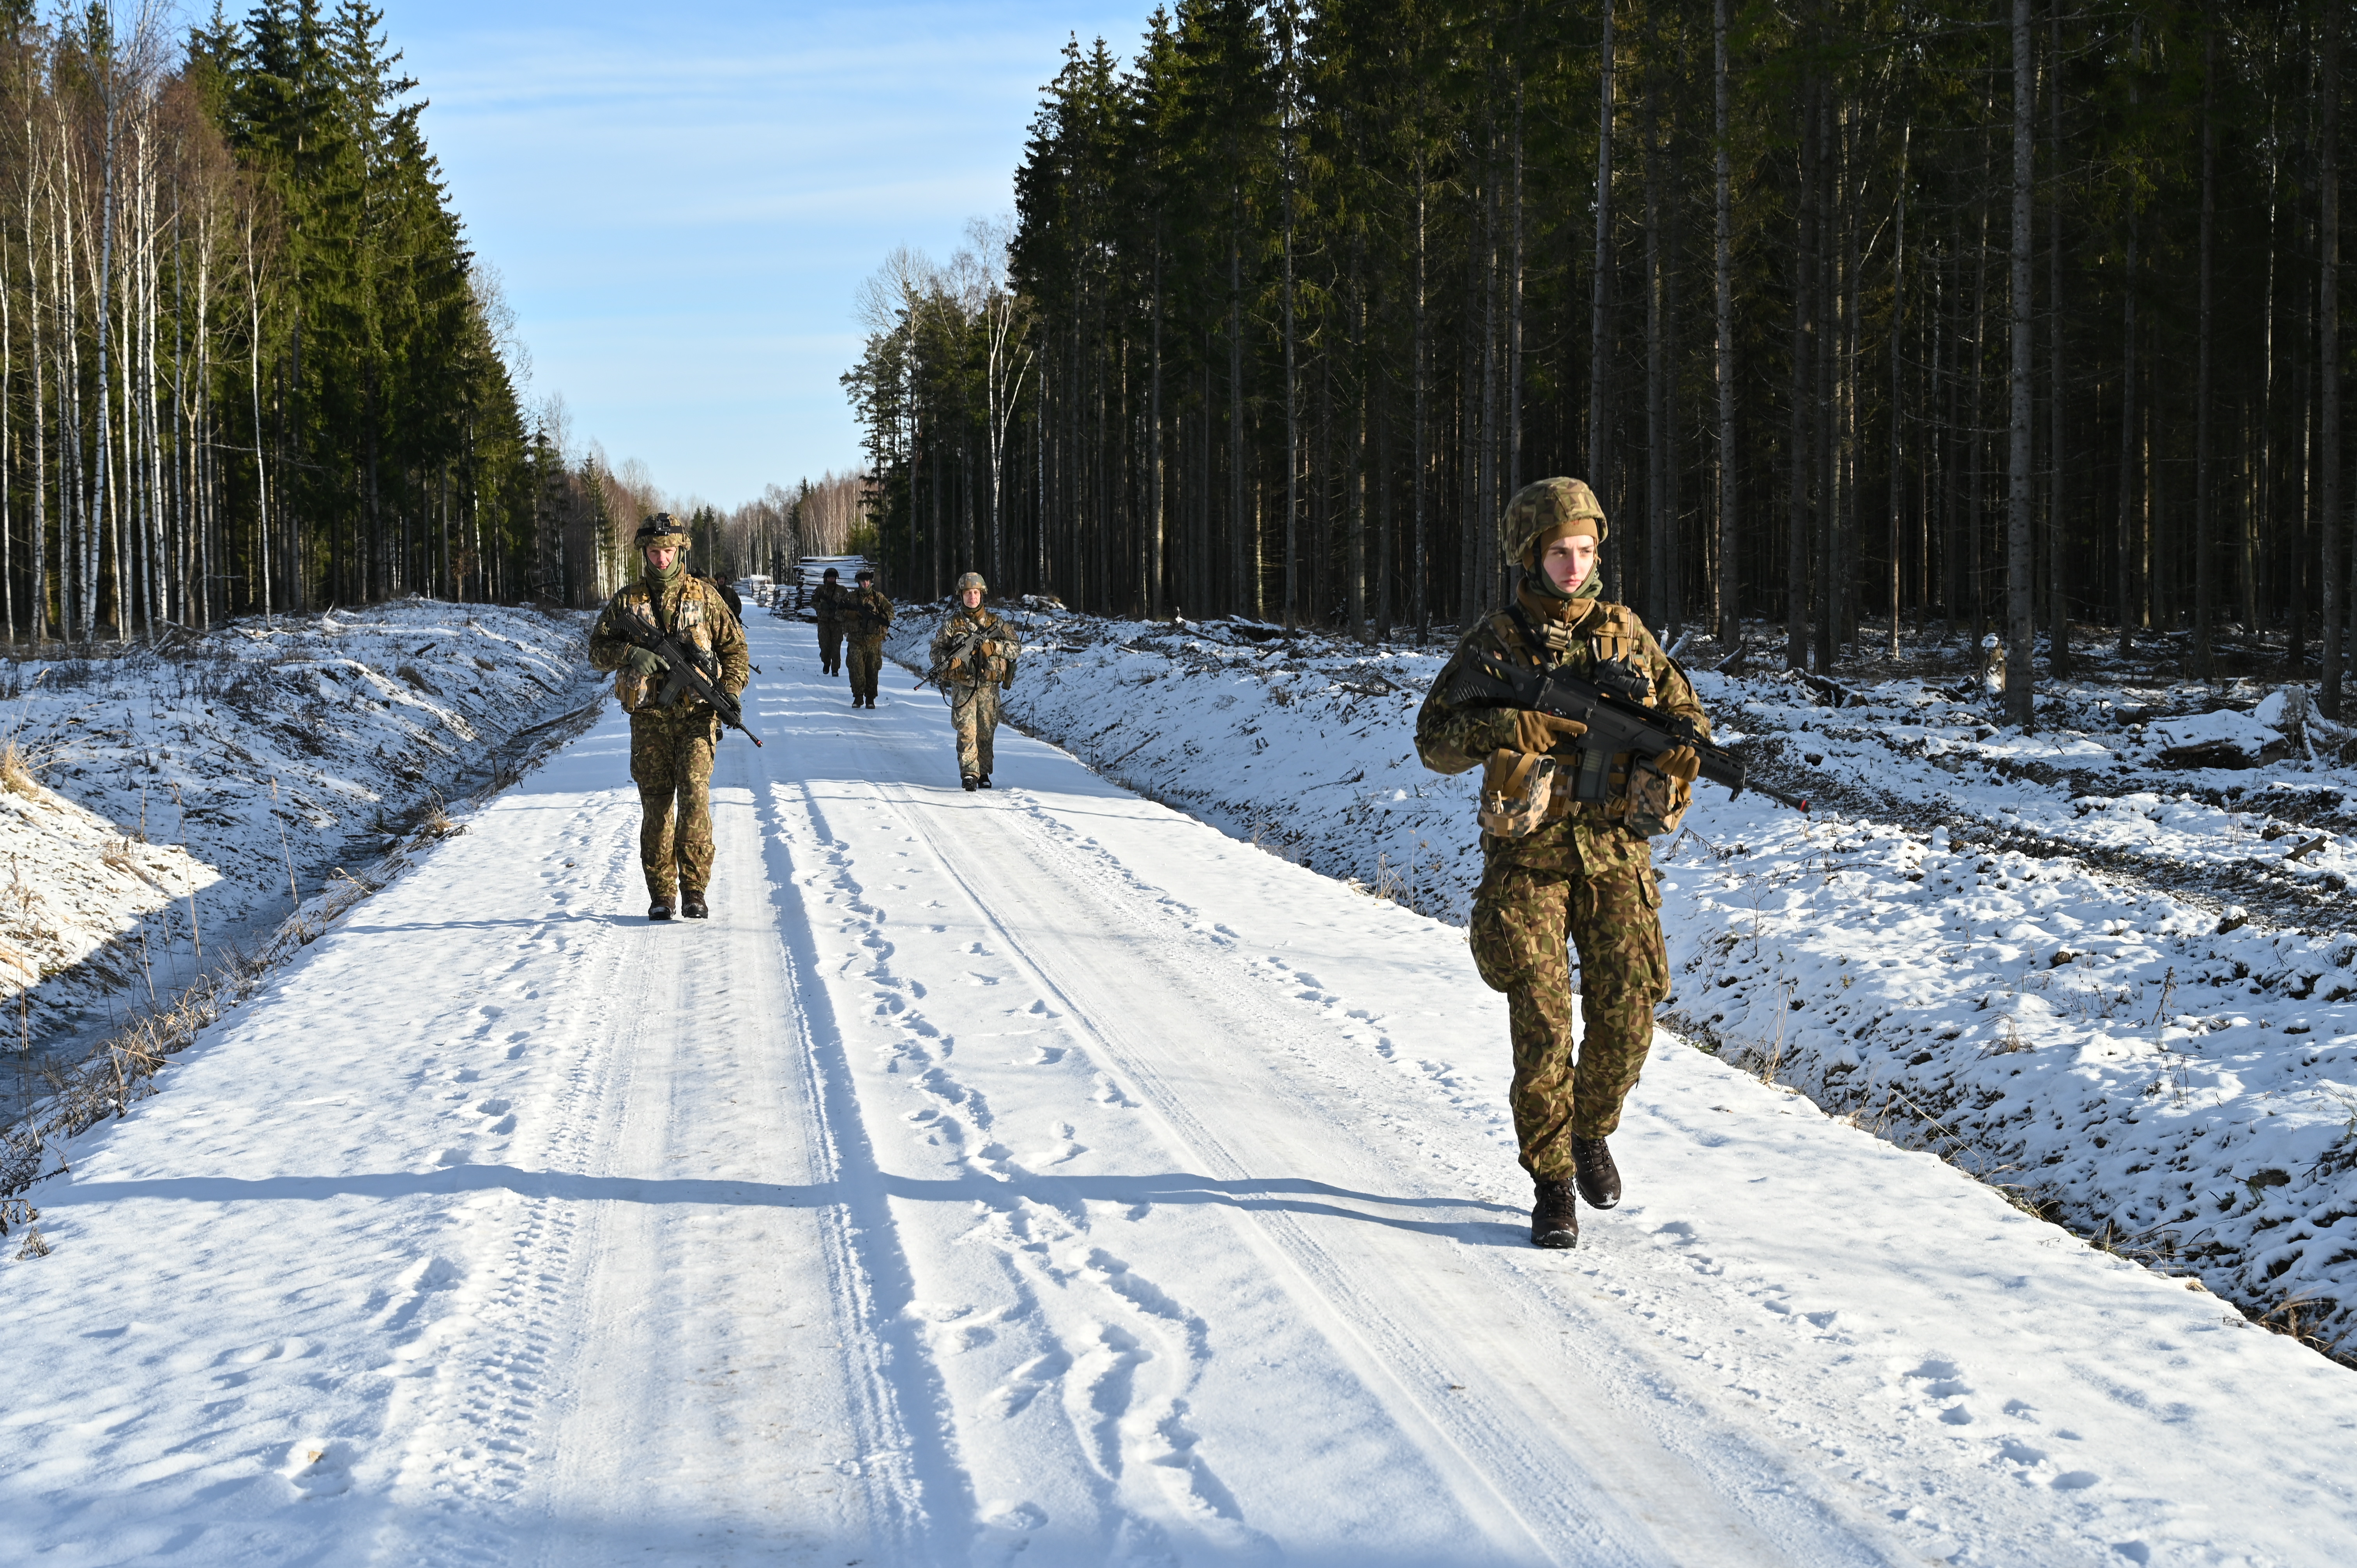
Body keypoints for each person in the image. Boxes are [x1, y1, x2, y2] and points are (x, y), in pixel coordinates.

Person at [1413, 477, 1707, 1250]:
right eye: (1558, 551)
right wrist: (1515, 724)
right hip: (1531, 862)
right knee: (1544, 1024)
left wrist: (1678, 746)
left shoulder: (1627, 632)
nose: (1574, 566)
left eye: (1585, 550)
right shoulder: (1498, 641)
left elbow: (1688, 714)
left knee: (1631, 1012)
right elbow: (1435, 739)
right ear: (1529, 554)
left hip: (1616, 855)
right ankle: (1552, 1184)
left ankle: (1591, 1129)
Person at [588, 514, 752, 922]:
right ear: (644, 552)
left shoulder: (705, 597)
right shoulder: (627, 602)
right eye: (654, 551)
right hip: (649, 722)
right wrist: (629, 654)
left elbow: (736, 651)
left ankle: (695, 889)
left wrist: (730, 692)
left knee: (695, 799)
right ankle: (662, 895)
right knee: (657, 808)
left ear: (681, 550)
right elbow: (595, 651)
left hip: (697, 717)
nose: (662, 559)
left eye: (668, 551)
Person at [928, 572, 1018, 790]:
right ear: (962, 595)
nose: (972, 597)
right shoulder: (952, 624)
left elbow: (1016, 647)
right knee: (967, 731)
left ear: (982, 594)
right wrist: (949, 662)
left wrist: (994, 648)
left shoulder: (996, 623)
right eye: (968, 593)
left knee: (986, 732)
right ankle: (969, 773)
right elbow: (936, 651)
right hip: (963, 689)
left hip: (989, 689)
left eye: (976, 593)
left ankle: (984, 772)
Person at [844, 567, 893, 708]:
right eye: (862, 581)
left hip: (874, 641)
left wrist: (882, 618)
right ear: (858, 582)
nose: (865, 584)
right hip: (855, 641)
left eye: (867, 581)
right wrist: (849, 614)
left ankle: (870, 698)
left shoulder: (879, 598)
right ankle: (858, 697)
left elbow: (891, 612)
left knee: (873, 670)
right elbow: (838, 613)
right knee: (856, 668)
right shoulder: (850, 598)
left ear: (871, 582)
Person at [812, 567, 848, 676]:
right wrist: (821, 606)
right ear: (826, 578)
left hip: (837, 623)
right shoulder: (820, 590)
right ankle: (826, 663)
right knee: (824, 645)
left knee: (836, 647)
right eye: (829, 578)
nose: (831, 579)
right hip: (823, 622)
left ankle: (835, 669)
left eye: (833, 578)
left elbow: (848, 604)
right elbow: (812, 603)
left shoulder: (842, 590)